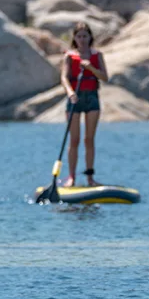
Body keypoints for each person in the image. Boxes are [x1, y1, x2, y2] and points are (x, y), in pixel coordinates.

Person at [60, 21, 109, 187]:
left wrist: (91, 69)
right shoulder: (69, 56)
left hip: (92, 98)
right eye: (79, 36)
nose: (82, 39)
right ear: (74, 38)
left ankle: (90, 177)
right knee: (74, 139)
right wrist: (70, 92)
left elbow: (104, 77)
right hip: (75, 97)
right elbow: (64, 77)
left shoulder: (97, 55)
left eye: (85, 36)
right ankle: (71, 177)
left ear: (90, 37)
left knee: (89, 139)